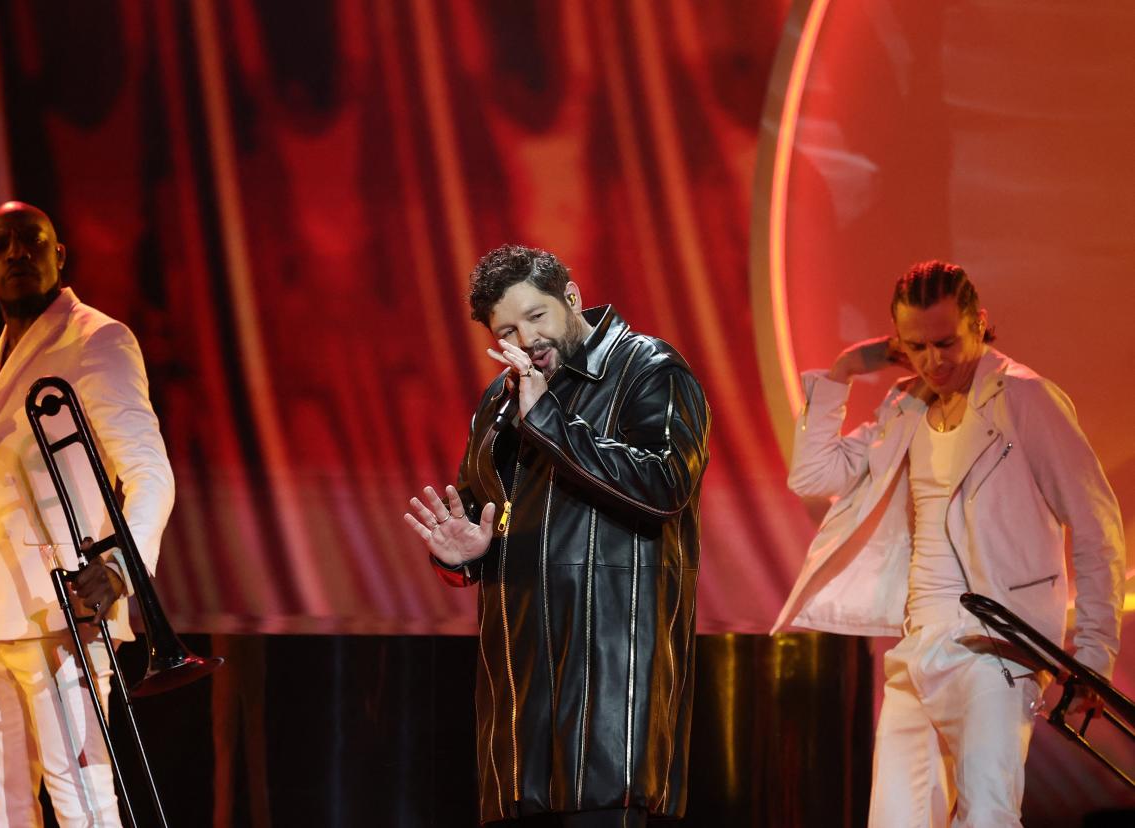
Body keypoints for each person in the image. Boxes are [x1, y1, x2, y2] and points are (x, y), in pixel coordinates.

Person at [773, 260, 1125, 826]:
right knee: (896, 818)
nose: (934, 361)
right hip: (918, 647)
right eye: (915, 346)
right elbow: (814, 478)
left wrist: (1093, 655)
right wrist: (840, 373)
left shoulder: (1025, 398)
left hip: (997, 647)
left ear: (978, 324)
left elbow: (1095, 522)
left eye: (946, 342)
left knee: (986, 815)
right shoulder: (904, 405)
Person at [403, 245, 711, 826]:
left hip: (611, 691)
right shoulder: (500, 400)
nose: (526, 340)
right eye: (508, 330)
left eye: (536, 316)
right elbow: (482, 511)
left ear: (570, 297)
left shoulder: (649, 368)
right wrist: (463, 554)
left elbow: (664, 484)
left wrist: (546, 418)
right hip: (520, 706)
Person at [0, 201, 175, 827]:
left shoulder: (99, 338)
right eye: (1, 245)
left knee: (84, 807)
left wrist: (116, 569)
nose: (16, 253)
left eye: (32, 241)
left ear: (60, 255)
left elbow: (150, 474)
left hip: (65, 616)